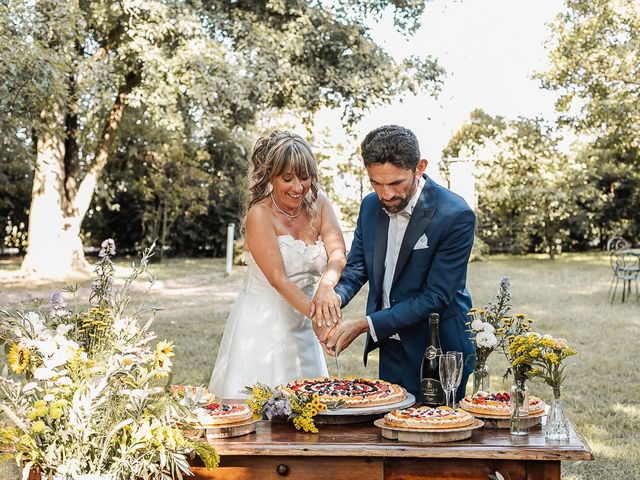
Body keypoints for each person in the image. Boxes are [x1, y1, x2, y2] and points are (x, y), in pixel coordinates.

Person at [316, 125, 475, 401]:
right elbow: (357, 267)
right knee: (393, 433)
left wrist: (365, 324)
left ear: (419, 167)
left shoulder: (455, 214)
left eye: (396, 183)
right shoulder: (369, 206)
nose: (386, 194)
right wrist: (333, 299)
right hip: (390, 345)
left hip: (438, 349)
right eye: (376, 183)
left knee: (435, 436)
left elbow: (436, 296)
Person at [209, 131, 345, 398]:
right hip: (262, 324)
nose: (298, 187)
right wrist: (320, 320)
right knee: (259, 409)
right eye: (287, 178)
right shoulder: (260, 215)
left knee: (310, 407)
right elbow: (278, 279)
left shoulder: (320, 203)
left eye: (304, 177)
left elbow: (337, 252)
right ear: (270, 175)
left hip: (304, 320)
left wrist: (327, 285)